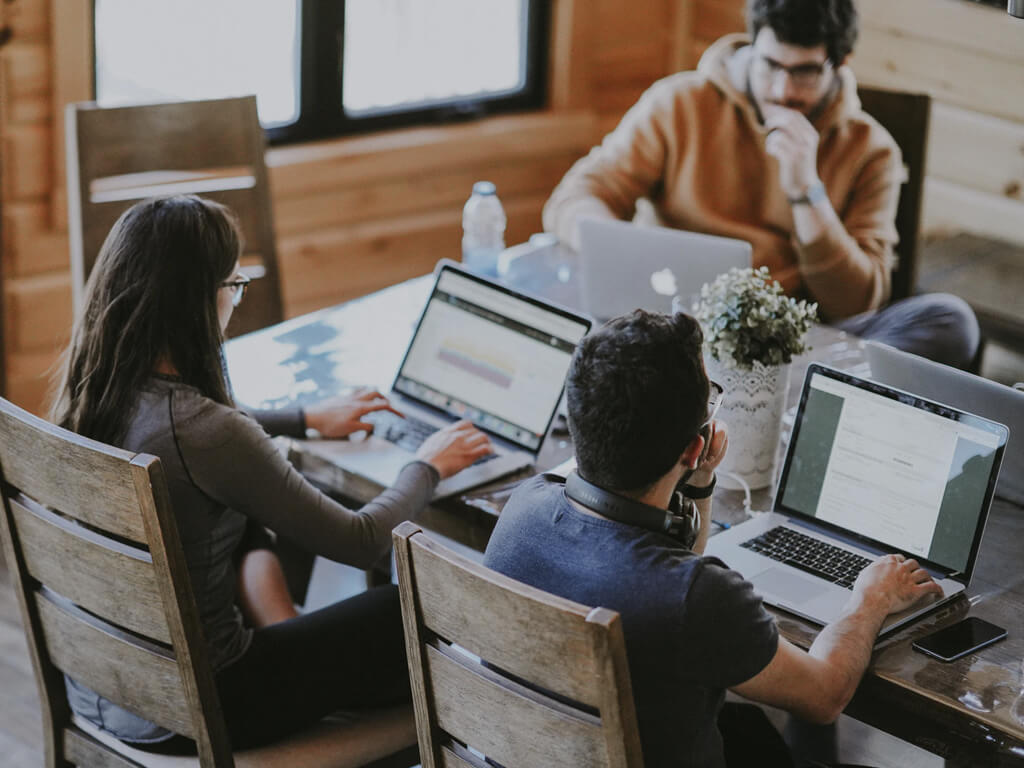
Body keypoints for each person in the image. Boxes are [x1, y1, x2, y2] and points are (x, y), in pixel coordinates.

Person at [50, 194, 493, 752]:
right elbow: (357, 541)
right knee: (402, 608)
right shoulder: (205, 433)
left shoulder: (96, 390)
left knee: (246, 513)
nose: (236, 300)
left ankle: (289, 632)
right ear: (199, 300)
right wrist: (427, 464)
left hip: (105, 686)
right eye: (233, 286)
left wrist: (304, 419)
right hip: (207, 703)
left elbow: (203, 436)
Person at [483, 310, 943, 768]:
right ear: (693, 444)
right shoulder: (697, 597)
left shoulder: (522, 509)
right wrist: (870, 599)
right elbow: (823, 695)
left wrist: (698, 480)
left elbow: (660, 570)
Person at [543, 0, 979, 370]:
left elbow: (857, 301)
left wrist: (806, 191)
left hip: (796, 344)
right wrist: (628, 253)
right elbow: (575, 197)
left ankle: (780, 397)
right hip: (674, 324)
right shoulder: (679, 103)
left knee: (950, 321)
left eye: (805, 72)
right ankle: (776, 400)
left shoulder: (872, 150)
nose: (783, 90)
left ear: (840, 63)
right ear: (753, 44)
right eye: (770, 65)